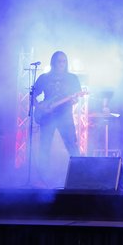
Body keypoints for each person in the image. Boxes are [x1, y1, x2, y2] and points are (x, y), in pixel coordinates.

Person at [33, 51, 82, 182]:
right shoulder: (44, 77)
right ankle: (42, 178)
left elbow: (76, 97)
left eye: (64, 61)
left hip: (65, 116)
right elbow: (33, 96)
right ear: (53, 62)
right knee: (44, 147)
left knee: (72, 146)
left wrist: (74, 100)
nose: (61, 64)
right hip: (47, 117)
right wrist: (40, 107)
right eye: (59, 61)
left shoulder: (72, 78)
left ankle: (80, 175)